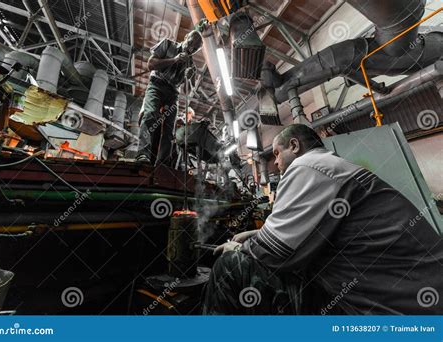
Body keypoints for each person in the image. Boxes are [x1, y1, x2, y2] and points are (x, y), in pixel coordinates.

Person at [203, 124, 443, 314]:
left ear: (294, 146)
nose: (275, 163)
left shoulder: (308, 166)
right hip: (418, 299)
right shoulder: (333, 165)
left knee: (229, 267)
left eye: (277, 153)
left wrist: (240, 247)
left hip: (393, 313)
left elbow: (273, 253)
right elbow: (318, 229)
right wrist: (257, 233)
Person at [136, 30, 203, 166]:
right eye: (190, 43)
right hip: (157, 85)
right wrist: (174, 60)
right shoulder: (167, 44)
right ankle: (143, 154)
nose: (191, 49)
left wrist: (190, 77)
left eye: (195, 49)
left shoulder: (191, 65)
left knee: (169, 129)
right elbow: (151, 64)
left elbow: (189, 90)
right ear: (185, 37)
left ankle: (163, 164)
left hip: (173, 93)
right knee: (150, 115)